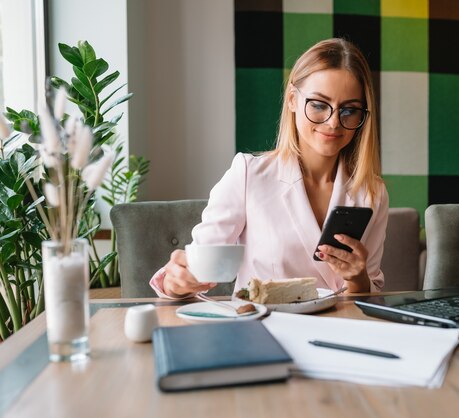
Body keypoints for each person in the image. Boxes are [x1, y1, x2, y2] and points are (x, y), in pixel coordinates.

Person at [150, 38, 389, 299]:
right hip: (261, 330)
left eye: (349, 110)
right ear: (292, 101)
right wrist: (176, 282)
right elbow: (195, 266)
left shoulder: (372, 192)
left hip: (339, 330)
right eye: (319, 105)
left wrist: (358, 277)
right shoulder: (248, 175)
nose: (333, 122)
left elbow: (370, 292)